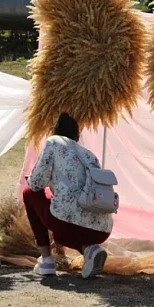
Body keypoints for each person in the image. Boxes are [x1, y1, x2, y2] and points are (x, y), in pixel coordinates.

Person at [23, 113, 113, 278]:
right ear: (77, 137)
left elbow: (35, 183)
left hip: (68, 224)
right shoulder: (89, 155)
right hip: (102, 229)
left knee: (29, 193)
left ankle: (46, 260)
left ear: (54, 132)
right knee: (62, 231)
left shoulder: (53, 142)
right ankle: (90, 250)